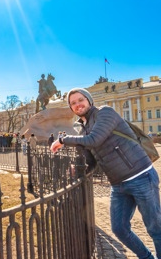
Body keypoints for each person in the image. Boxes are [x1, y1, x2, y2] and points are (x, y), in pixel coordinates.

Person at [50, 87, 161, 259]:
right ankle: (146, 257)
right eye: (73, 103)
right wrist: (79, 170)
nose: (78, 105)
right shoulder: (84, 129)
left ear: (89, 100)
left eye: (81, 100)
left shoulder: (105, 113)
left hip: (141, 176)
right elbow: (92, 161)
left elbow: (95, 140)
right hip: (118, 184)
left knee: (155, 228)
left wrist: (63, 140)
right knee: (119, 229)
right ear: (71, 108)